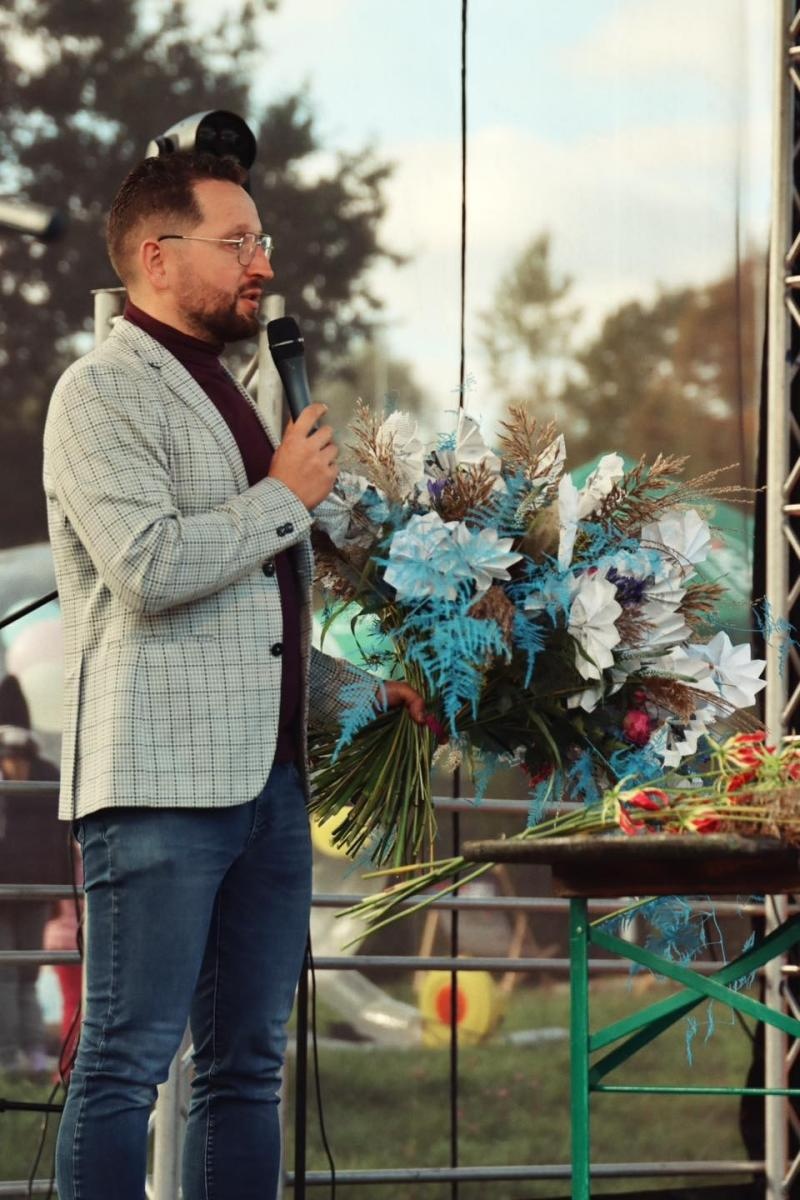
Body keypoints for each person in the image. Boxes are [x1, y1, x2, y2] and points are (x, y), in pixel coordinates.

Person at [43, 151, 426, 1200]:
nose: (263, 264)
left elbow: (255, 616)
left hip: (268, 789)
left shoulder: (243, 393)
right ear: (157, 259)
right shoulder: (100, 390)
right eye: (239, 242)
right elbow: (152, 569)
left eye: (263, 242)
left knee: (248, 1070)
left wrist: (358, 693)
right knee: (124, 1063)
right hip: (158, 787)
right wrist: (284, 494)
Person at [0, 673, 63, 1076]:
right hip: (39, 889)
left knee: (6, 974)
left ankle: (7, 1058)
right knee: (26, 976)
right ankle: (35, 1055)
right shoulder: (49, 772)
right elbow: (60, 838)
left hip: (5, 887)